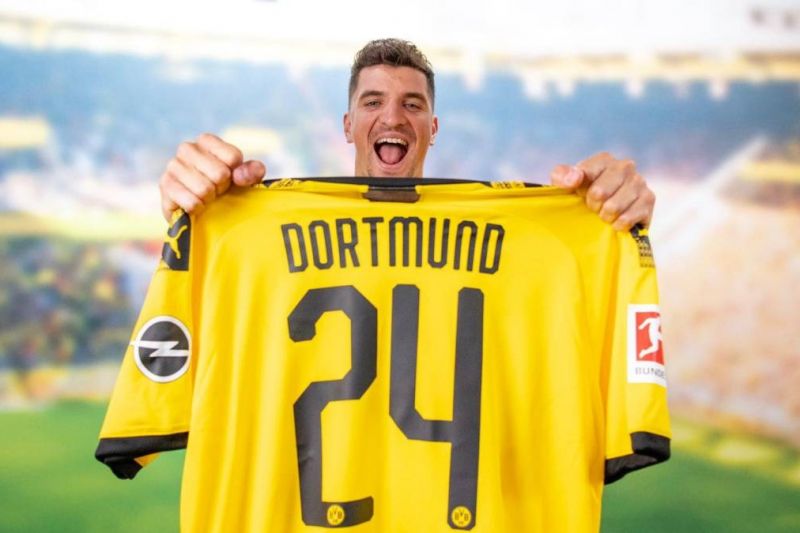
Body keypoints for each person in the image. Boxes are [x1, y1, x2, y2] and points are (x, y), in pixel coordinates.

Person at [156, 39, 656, 228]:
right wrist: (197, 212)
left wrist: (611, 217)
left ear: (432, 129)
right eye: (372, 102)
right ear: (348, 126)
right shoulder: (272, 227)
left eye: (412, 105)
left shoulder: (503, 233)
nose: (393, 118)